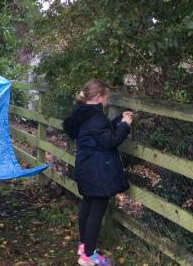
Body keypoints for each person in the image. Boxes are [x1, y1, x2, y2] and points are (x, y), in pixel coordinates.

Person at [63, 80, 133, 266]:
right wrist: (125, 126)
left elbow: (99, 133)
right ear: (99, 96)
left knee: (87, 204)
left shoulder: (84, 114)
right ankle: (88, 256)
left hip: (86, 167)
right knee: (97, 210)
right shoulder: (95, 117)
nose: (108, 100)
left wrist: (118, 120)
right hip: (97, 170)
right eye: (107, 96)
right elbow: (110, 141)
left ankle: (84, 246)